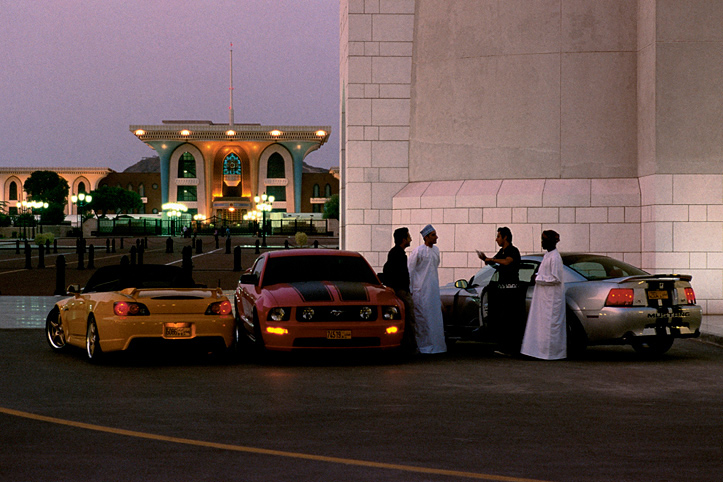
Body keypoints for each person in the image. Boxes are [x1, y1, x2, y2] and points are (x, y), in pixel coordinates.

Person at [477, 227, 525, 354]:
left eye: (498, 236)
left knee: (511, 320)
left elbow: (507, 262)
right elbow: (496, 263)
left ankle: (512, 348)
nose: (496, 239)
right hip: (502, 290)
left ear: (505, 237)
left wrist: (492, 260)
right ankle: (503, 346)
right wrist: (486, 259)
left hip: (512, 290)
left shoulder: (513, 251)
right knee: (502, 320)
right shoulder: (501, 252)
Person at [520, 230, 566, 360]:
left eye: (544, 239)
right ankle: (538, 351)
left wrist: (538, 278)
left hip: (551, 298)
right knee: (541, 325)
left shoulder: (555, 257)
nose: (542, 242)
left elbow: (555, 278)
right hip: (543, 297)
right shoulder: (547, 255)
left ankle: (550, 353)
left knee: (549, 326)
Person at [408, 224, 447, 354]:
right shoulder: (418, 251)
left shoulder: (436, 250)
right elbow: (411, 271)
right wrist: (411, 289)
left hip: (433, 290)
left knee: (434, 318)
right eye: (433, 235)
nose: (436, 237)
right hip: (420, 291)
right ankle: (423, 346)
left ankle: (436, 346)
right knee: (422, 319)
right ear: (426, 237)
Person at [383, 227, 416, 351]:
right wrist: (391, 286)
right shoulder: (397, 254)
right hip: (401, 290)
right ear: (403, 239)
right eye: (408, 236)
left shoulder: (397, 253)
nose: (410, 239)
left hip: (401, 289)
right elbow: (389, 270)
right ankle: (410, 347)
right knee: (410, 318)